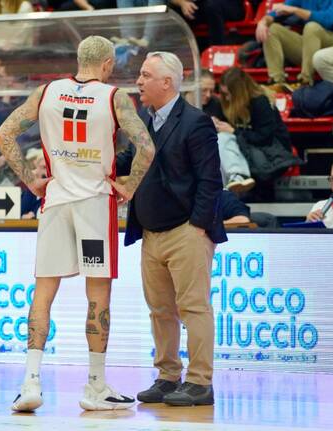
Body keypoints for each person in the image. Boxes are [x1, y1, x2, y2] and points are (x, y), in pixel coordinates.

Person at [0, 35, 155, 411]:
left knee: (43, 292)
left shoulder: (47, 91)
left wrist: (31, 180)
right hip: (94, 207)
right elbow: (146, 146)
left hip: (55, 203)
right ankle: (95, 385)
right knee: (97, 295)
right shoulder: (114, 97)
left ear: (79, 60)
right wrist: (129, 185)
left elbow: (4, 136)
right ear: (107, 65)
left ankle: (30, 381)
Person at [116, 51, 225, 407]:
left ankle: (199, 381)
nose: (139, 82)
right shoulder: (144, 124)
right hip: (150, 232)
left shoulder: (196, 122)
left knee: (194, 308)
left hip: (185, 231)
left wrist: (197, 227)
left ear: (167, 82)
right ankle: (167, 375)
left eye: (146, 76)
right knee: (160, 310)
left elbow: (211, 181)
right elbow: (127, 162)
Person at [216, 67, 296, 199]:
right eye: (224, 94)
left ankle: (238, 177)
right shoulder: (230, 105)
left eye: (229, 94)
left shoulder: (260, 102)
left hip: (271, 154)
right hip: (251, 150)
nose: (227, 98)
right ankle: (235, 179)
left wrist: (235, 132)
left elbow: (264, 138)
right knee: (221, 139)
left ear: (239, 93)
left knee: (225, 138)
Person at [255, 0, 333, 87]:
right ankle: (276, 82)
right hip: (309, 46)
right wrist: (263, 22)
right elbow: (276, 12)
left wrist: (296, 10)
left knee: (312, 27)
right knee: (272, 29)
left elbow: (330, 20)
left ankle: (305, 81)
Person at [193, 70, 255, 194]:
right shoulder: (181, 104)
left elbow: (228, 128)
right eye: (204, 90)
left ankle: (237, 177)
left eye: (211, 90)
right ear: (191, 87)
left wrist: (217, 125)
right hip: (191, 147)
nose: (209, 94)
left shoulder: (216, 104)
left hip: (213, 148)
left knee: (224, 138)